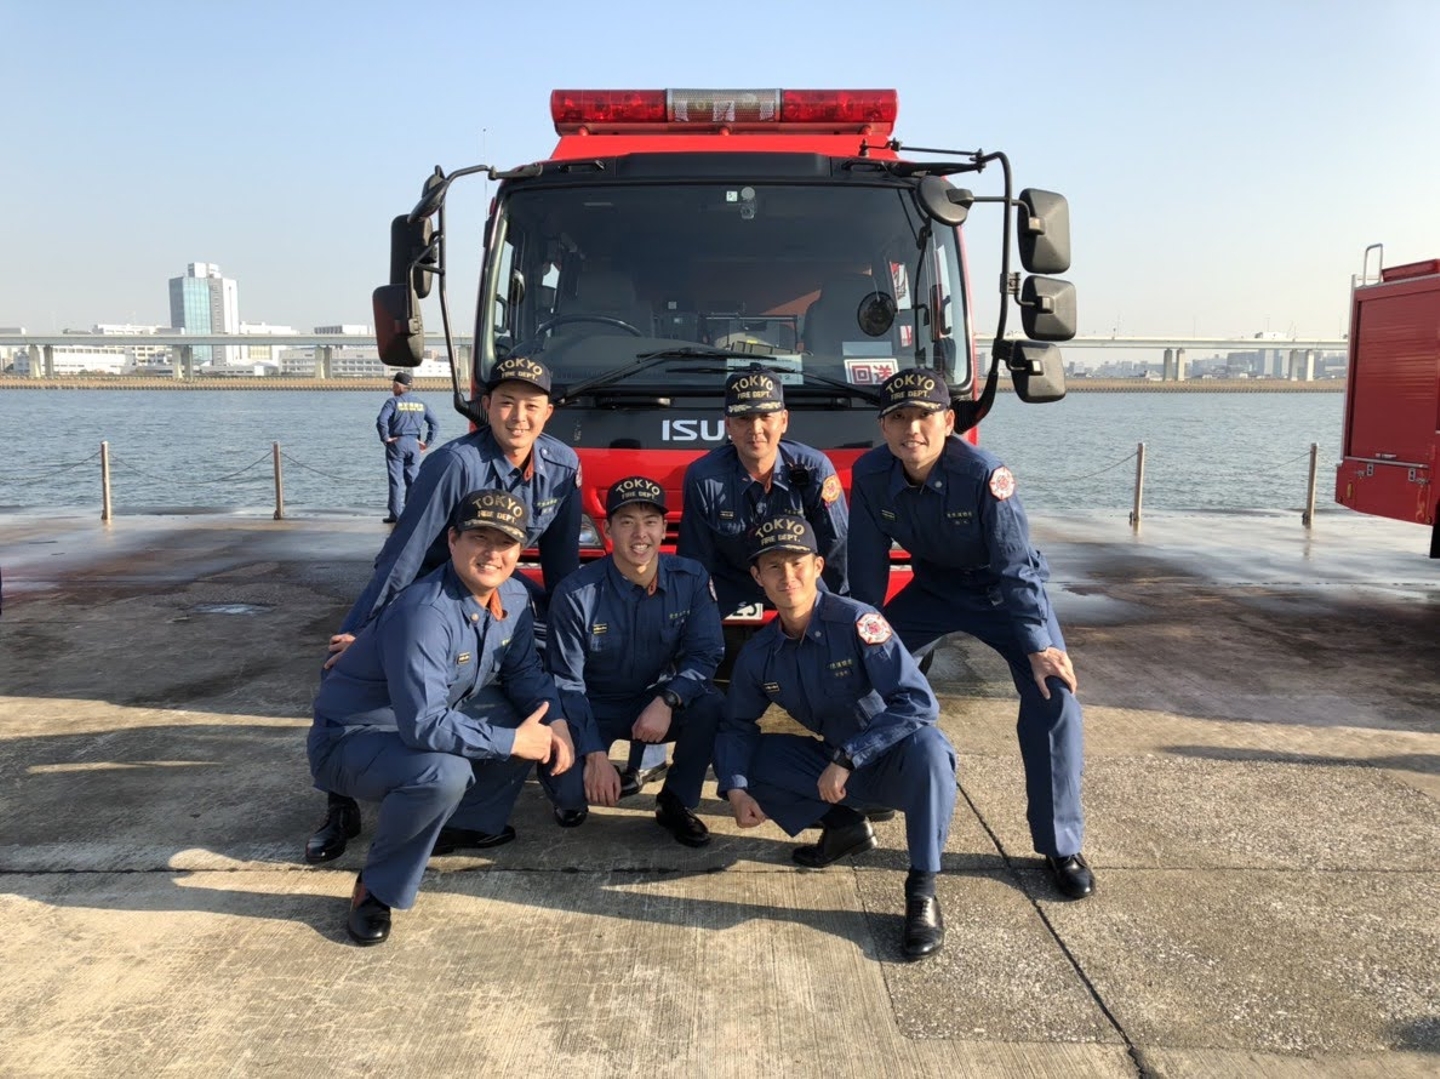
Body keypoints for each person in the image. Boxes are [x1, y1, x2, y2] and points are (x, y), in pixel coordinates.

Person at [847, 369, 1094, 900]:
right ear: (883, 427)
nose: (911, 429)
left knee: (1053, 694)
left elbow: (1015, 566)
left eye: (923, 416)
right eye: (898, 418)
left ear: (948, 421)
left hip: (1003, 593)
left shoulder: (984, 474)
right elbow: (865, 568)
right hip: (934, 590)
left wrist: (1038, 645)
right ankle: (875, 787)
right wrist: (863, 633)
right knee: (856, 674)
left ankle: (1060, 844)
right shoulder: (870, 474)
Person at [306, 489, 578, 946]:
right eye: (479, 538)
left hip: (422, 721)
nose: (492, 553)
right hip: (354, 740)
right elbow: (423, 724)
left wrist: (557, 724)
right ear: (452, 540)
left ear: (520, 550)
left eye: (505, 542)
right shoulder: (425, 611)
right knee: (444, 772)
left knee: (529, 714)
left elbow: (524, 672)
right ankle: (376, 887)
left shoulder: (512, 593)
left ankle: (464, 823)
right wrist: (513, 742)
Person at [715, 515, 956, 961]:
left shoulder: (858, 622)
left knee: (932, 748)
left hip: (892, 764)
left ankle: (922, 890)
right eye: (773, 566)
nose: (787, 576)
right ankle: (844, 828)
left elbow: (918, 702)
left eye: (797, 563)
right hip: (835, 771)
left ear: (818, 566)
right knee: (746, 761)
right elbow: (736, 726)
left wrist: (848, 757)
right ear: (757, 577)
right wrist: (736, 789)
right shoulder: (760, 654)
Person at [546, 476, 724, 846]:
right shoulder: (576, 593)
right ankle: (575, 788)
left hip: (653, 701)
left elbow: (705, 654)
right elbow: (566, 683)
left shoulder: (690, 579)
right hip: (594, 706)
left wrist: (668, 699)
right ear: (608, 529)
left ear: (663, 528)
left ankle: (675, 802)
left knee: (711, 704)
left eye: (650, 522)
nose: (640, 534)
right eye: (627, 522)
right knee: (570, 794)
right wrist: (595, 755)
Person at [677, 366, 849, 643]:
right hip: (731, 581)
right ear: (728, 425)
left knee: (832, 639)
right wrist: (690, 618)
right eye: (744, 418)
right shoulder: (703, 476)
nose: (755, 430)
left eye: (765, 417)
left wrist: (839, 610)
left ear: (783, 420)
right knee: (684, 637)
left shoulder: (815, 468)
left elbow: (836, 546)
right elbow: (695, 557)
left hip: (794, 578)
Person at [376, 370, 440, 523]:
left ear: (399, 386)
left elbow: (381, 420)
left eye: (393, 385)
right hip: (414, 444)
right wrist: (427, 443)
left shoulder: (393, 402)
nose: (392, 388)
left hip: (397, 443)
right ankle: (411, 513)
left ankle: (395, 515)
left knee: (396, 480)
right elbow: (435, 424)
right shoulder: (420, 403)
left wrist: (386, 438)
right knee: (413, 480)